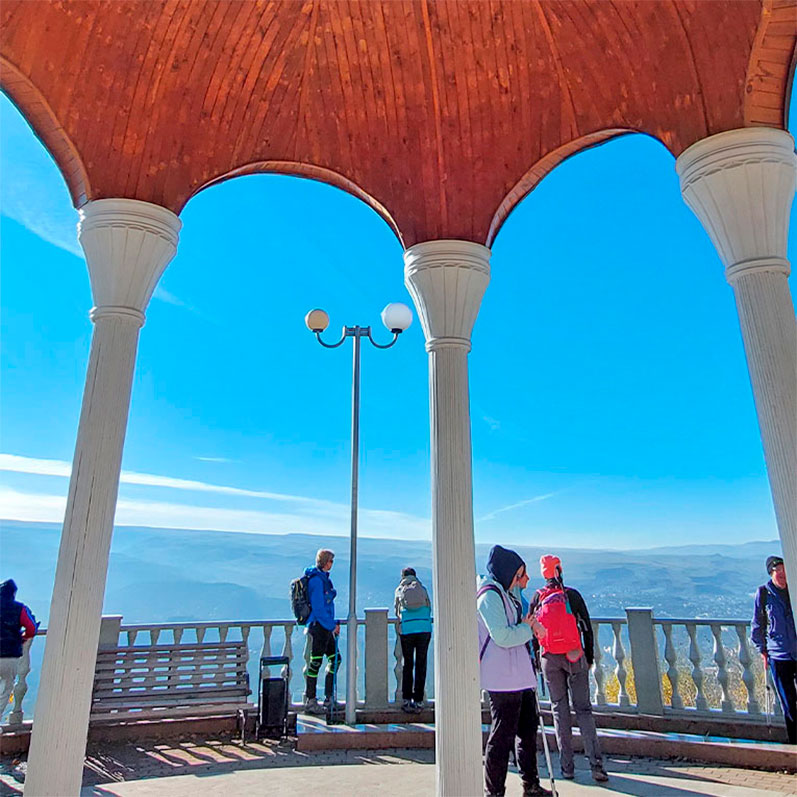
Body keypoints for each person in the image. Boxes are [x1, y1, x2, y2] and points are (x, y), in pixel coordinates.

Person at [477, 545, 551, 797]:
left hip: (518, 674)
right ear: (508, 573)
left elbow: (517, 625)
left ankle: (531, 785)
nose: (524, 580)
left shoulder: (507, 594)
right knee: (502, 736)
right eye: (520, 574)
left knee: (527, 731)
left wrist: (530, 626)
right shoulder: (489, 596)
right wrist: (528, 630)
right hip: (502, 678)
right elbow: (502, 636)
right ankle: (494, 792)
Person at [529, 555, 608, 783]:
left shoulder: (538, 597)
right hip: (574, 656)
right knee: (583, 710)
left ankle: (567, 768)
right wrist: (589, 657)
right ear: (559, 570)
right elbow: (586, 628)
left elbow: (533, 632)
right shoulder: (571, 595)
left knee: (559, 711)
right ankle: (596, 766)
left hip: (549, 659)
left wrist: (538, 660)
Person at [752, 555, 796, 743]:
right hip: (778, 656)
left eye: (785, 571)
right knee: (789, 703)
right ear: (771, 573)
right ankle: (794, 741)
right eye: (779, 572)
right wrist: (763, 650)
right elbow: (757, 624)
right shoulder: (764, 594)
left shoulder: (793, 589)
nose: (783, 575)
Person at [302, 549, 342, 715]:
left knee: (335, 659)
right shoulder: (317, 581)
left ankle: (328, 697)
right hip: (319, 627)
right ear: (325, 562)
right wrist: (332, 626)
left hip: (324, 626)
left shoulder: (322, 579)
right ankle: (311, 700)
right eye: (331, 561)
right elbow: (319, 608)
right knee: (316, 662)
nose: (332, 564)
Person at [394, 567, 432, 713]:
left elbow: (397, 611)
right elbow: (429, 607)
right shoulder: (422, 588)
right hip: (424, 629)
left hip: (408, 630)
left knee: (408, 664)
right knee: (421, 664)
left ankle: (406, 699)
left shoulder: (400, 590)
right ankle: (419, 701)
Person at [0, 579, 37, 722]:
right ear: (13, 593)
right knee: (5, 690)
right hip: (10, 656)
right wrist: (23, 638)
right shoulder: (20, 609)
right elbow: (31, 628)